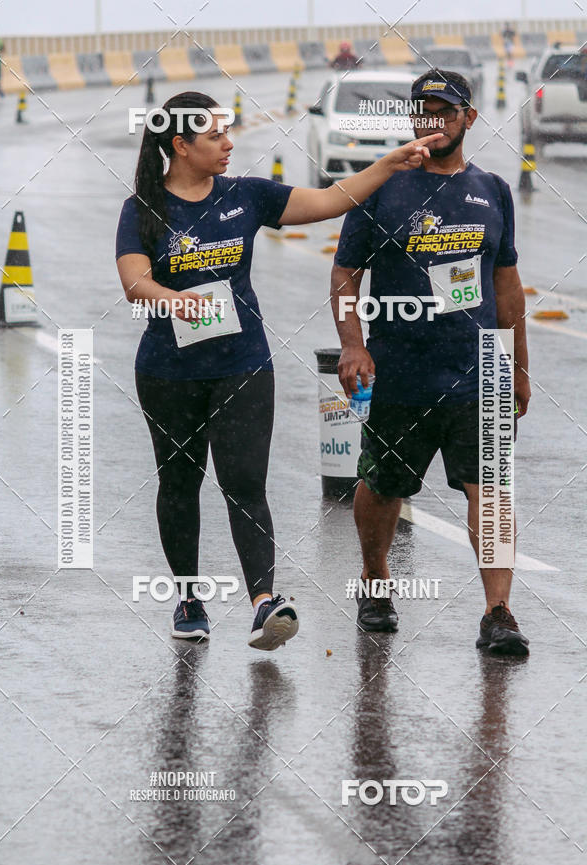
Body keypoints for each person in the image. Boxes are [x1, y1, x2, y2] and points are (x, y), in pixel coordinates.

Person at [116, 90, 441, 651]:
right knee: (179, 483)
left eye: (227, 132)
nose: (228, 143)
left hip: (242, 366)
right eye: (215, 135)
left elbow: (329, 199)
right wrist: (174, 299)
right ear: (180, 145)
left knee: (244, 485)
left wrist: (388, 163)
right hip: (168, 372)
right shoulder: (144, 208)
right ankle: (190, 598)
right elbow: (133, 281)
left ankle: (265, 602)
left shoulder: (248, 197)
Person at [330, 69, 531, 656]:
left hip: (481, 369)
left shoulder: (493, 190)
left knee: (490, 490)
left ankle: (498, 612)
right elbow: (346, 271)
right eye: (423, 111)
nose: (433, 120)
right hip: (400, 370)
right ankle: (375, 579)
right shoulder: (382, 188)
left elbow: (507, 282)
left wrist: (518, 364)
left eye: (445, 111)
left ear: (469, 117)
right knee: (384, 483)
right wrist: (353, 343)